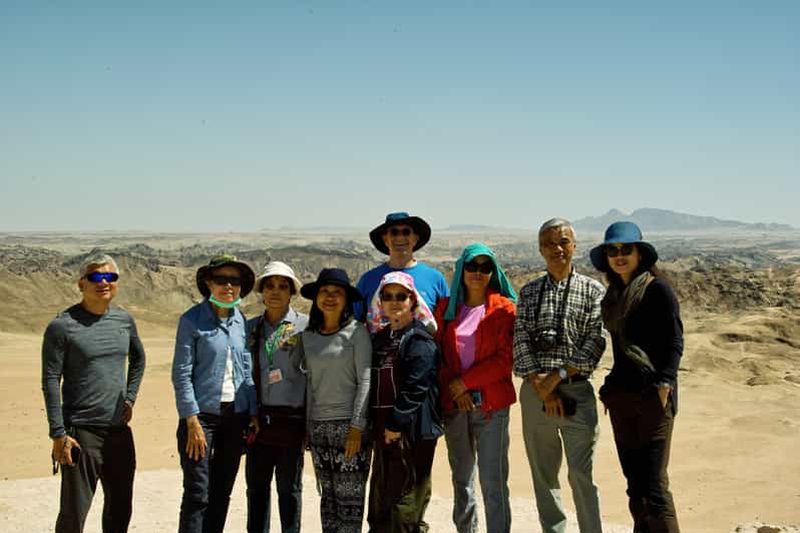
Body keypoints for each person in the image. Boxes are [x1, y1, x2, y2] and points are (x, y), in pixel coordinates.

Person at [512, 218, 606, 533]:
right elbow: (521, 340)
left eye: (563, 241)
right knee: (544, 476)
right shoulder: (529, 292)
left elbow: (595, 341)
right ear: (540, 249)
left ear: (574, 246)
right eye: (549, 243)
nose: (557, 249)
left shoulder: (593, 290)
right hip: (536, 394)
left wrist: (559, 376)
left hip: (577, 392)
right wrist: (544, 388)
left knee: (582, 474)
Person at [41, 253, 146, 533]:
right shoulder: (62, 326)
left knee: (120, 510)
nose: (104, 283)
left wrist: (130, 396)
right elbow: (51, 380)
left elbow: (139, 358)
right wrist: (58, 434)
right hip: (80, 433)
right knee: (74, 515)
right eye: (96, 277)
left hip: (118, 431)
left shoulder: (124, 320)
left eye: (110, 277)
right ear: (81, 284)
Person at [590, 221, 683, 532]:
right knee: (635, 484)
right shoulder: (615, 296)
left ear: (640, 254)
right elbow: (620, 350)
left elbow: (674, 341)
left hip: (653, 398)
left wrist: (665, 383)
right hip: (623, 398)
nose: (619, 256)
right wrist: (609, 388)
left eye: (625, 249)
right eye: (612, 251)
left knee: (655, 487)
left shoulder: (657, 290)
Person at [172, 254, 259, 533]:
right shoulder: (191, 321)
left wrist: (253, 411)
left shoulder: (240, 322)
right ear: (208, 283)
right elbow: (181, 373)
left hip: (235, 416)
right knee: (198, 492)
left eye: (235, 281)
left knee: (222, 490)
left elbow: (246, 370)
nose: (228, 286)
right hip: (201, 419)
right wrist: (192, 420)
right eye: (221, 280)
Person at [434, 243, 517, 533]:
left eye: (485, 267)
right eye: (472, 266)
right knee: (462, 481)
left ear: (493, 273)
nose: (478, 273)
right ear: (462, 269)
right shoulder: (446, 310)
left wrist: (465, 382)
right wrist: (457, 389)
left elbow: (505, 359)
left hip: (492, 407)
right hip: (456, 406)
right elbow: (438, 356)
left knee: (493, 482)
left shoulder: (505, 310)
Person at [291, 268, 372, 533]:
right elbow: (310, 385)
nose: (330, 297)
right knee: (328, 501)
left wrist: (357, 427)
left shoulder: (357, 333)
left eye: (337, 293)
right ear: (315, 298)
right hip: (318, 430)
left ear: (346, 299)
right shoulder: (308, 337)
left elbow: (366, 380)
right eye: (325, 292)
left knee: (350, 504)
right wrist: (306, 426)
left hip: (349, 429)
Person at [365, 271, 442, 533]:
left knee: (405, 503)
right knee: (380, 499)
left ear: (413, 301)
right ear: (381, 301)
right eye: (388, 296)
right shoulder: (380, 338)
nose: (395, 302)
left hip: (411, 432)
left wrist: (395, 424)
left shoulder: (419, 339)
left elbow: (416, 387)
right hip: (383, 432)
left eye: (402, 296)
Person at [245, 261, 309, 533]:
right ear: (261, 290)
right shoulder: (250, 328)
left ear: (292, 292)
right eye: (269, 285)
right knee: (257, 490)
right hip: (258, 422)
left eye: (283, 286)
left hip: (292, 422)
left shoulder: (306, 327)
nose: (275, 291)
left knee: (289, 490)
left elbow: (314, 377)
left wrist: (309, 423)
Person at [355, 212, 449, 326]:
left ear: (415, 238)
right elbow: (355, 322)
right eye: (394, 232)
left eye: (406, 232)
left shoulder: (435, 279)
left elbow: (446, 322)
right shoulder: (368, 280)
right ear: (385, 239)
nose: (400, 237)